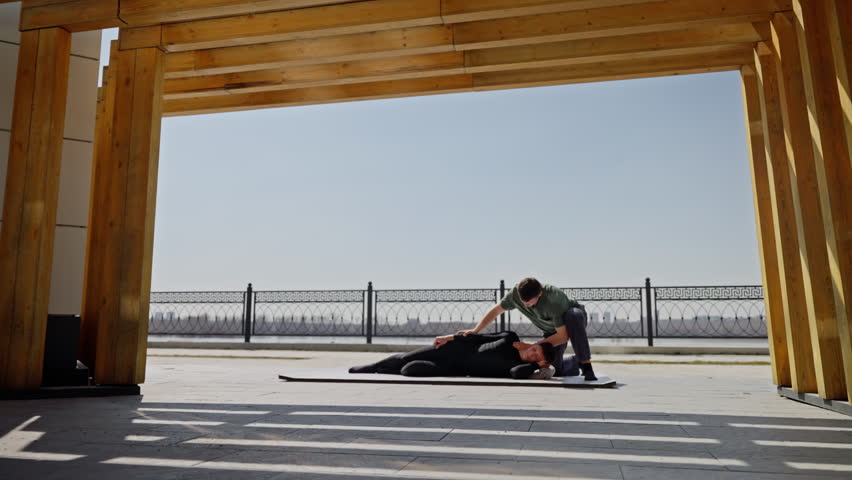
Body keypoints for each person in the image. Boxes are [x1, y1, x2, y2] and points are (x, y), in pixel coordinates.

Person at [455, 277, 597, 381]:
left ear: (540, 294)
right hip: (551, 330)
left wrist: (533, 346)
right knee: (555, 370)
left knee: (573, 315)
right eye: (523, 302)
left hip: (573, 322)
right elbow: (496, 310)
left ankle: (586, 365)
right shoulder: (515, 294)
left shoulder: (554, 298)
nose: (526, 305)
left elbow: (563, 336)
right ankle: (573, 363)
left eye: (529, 302)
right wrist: (476, 330)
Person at [349, 330, 556, 379]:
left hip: (454, 368)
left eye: (536, 358)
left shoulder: (517, 366)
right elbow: (477, 337)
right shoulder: (509, 337)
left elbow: (518, 374)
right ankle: (374, 367)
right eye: (535, 350)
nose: (532, 355)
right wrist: (449, 338)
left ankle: (385, 370)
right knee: (406, 358)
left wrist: (539, 366)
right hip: (455, 349)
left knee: (409, 369)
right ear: (535, 344)